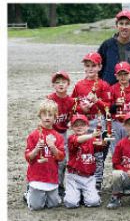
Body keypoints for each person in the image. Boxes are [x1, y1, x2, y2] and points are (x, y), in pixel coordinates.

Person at [71, 52, 111, 191]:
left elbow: (108, 108)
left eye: (93, 66)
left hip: (97, 122)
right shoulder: (79, 85)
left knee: (98, 153)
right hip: (83, 123)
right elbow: (73, 104)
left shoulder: (103, 85)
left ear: (99, 67)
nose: (90, 69)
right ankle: (83, 177)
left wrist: (96, 101)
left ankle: (97, 181)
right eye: (87, 66)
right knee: (83, 151)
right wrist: (81, 108)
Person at [24, 99, 65, 210]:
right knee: (37, 206)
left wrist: (52, 147)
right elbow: (28, 157)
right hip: (37, 177)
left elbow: (61, 157)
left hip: (51, 176)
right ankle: (28, 194)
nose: (47, 117)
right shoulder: (33, 135)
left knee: (53, 205)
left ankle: (43, 195)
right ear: (40, 116)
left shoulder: (58, 136)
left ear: (55, 117)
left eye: (50, 115)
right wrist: (37, 149)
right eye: (44, 114)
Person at [97, 10, 130, 87]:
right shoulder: (106, 45)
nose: (124, 27)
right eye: (121, 23)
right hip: (109, 91)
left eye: (127, 23)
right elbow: (97, 66)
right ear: (117, 26)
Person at [64, 114, 104, 208]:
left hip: (88, 178)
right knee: (71, 204)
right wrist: (91, 135)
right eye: (76, 125)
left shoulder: (93, 139)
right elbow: (78, 140)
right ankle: (76, 193)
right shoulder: (71, 138)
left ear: (87, 126)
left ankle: (82, 194)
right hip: (74, 176)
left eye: (82, 124)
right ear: (72, 127)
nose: (79, 127)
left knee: (93, 202)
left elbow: (100, 149)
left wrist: (104, 140)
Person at [47, 70, 75, 198]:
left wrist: (71, 123)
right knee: (48, 160)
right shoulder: (50, 99)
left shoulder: (70, 101)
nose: (61, 84)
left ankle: (59, 186)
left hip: (62, 134)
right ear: (53, 85)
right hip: (50, 132)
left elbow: (72, 117)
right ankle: (48, 184)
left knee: (62, 161)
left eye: (63, 82)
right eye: (57, 82)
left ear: (68, 84)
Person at [108, 61, 130, 154]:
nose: (123, 77)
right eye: (120, 74)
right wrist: (115, 105)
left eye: (125, 74)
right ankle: (117, 167)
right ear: (116, 76)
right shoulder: (112, 89)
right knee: (116, 150)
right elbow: (107, 109)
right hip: (116, 123)